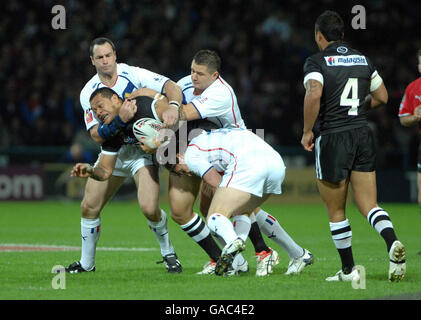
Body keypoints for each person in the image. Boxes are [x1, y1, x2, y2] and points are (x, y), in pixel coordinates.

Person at [135, 49, 313, 276]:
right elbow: (175, 104)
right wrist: (165, 105)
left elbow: (181, 113)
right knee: (211, 209)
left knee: (233, 207)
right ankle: (288, 255)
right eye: (192, 71)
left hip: (237, 150)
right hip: (207, 146)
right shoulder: (186, 84)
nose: (194, 77)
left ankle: (262, 252)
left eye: (199, 73)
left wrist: (158, 104)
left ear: (215, 75)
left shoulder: (221, 93)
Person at [301, 10, 406, 282]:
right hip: (362, 132)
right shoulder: (362, 59)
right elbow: (382, 96)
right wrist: (358, 106)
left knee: (336, 210)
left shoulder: (317, 61)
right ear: (343, 35)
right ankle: (392, 241)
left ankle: (348, 271)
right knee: (369, 203)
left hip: (334, 135)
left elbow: (313, 94)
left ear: (319, 36)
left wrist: (307, 131)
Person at [65, 37, 183, 274]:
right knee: (89, 206)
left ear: (115, 55)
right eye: (99, 57)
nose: (105, 60)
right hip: (113, 151)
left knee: (149, 208)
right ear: (92, 61)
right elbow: (97, 135)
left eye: (108, 55)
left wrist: (173, 106)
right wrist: (120, 119)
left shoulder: (134, 75)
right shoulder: (88, 92)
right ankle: (87, 264)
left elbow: (172, 86)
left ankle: (169, 253)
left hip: (142, 150)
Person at [154, 127, 287, 276]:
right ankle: (297, 254)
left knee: (215, 216)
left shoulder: (191, 156)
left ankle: (241, 248)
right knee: (241, 209)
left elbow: (219, 185)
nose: (188, 173)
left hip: (247, 164)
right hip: (274, 162)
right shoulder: (202, 137)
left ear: (178, 155)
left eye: (182, 170)